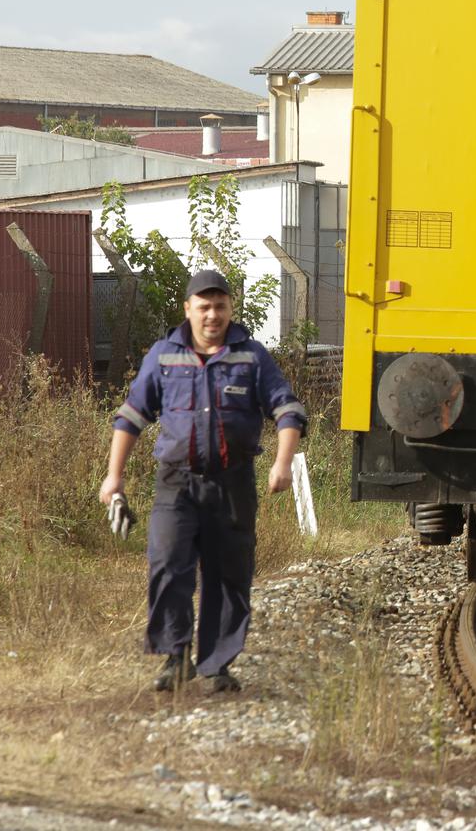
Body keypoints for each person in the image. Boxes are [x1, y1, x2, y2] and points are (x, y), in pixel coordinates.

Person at [98, 270, 306, 693]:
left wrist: (282, 464)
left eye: (220, 306)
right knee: (168, 565)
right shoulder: (163, 355)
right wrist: (113, 477)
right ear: (188, 309)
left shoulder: (251, 356)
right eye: (204, 306)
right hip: (176, 483)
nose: (213, 315)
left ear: (231, 309)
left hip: (233, 484)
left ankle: (216, 665)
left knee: (228, 575)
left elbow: (287, 410)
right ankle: (176, 659)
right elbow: (132, 416)